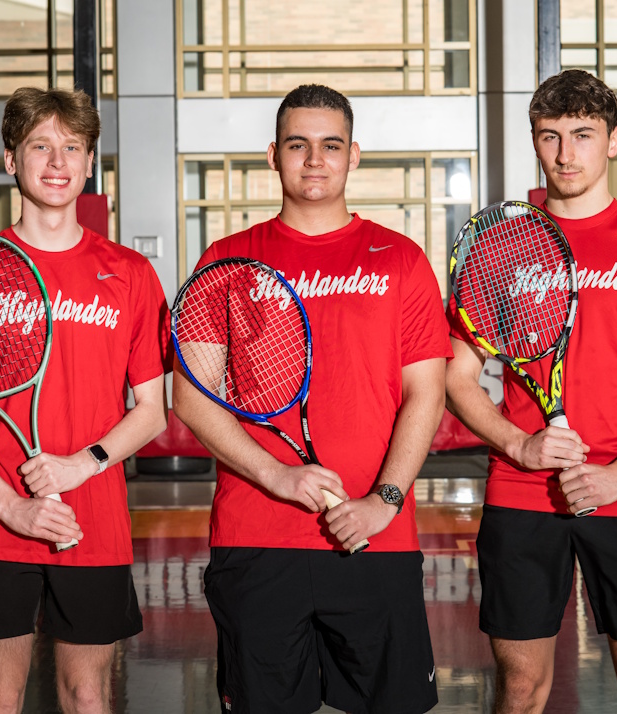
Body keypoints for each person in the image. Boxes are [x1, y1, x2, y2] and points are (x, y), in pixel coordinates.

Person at [172, 84, 450, 714]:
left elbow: (425, 395)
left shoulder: (401, 260)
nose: (314, 159)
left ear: (355, 156)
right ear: (273, 155)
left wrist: (384, 501)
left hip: (376, 536)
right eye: (298, 145)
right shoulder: (226, 260)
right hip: (257, 539)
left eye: (330, 145)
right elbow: (192, 399)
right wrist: (278, 475)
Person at [444, 69, 617, 713]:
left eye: (583, 135)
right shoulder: (499, 247)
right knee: (519, 688)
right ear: (535, 142)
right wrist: (520, 444)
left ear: (613, 141)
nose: (566, 154)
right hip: (522, 494)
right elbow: (456, 376)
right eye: (551, 136)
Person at [0, 87, 170, 714]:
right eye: (40, 147)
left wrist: (82, 464)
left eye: (72, 148)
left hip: (93, 521)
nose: (57, 162)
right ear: (11, 160)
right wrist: (8, 505)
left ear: (88, 165)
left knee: (87, 693)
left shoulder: (131, 273)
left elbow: (153, 409)